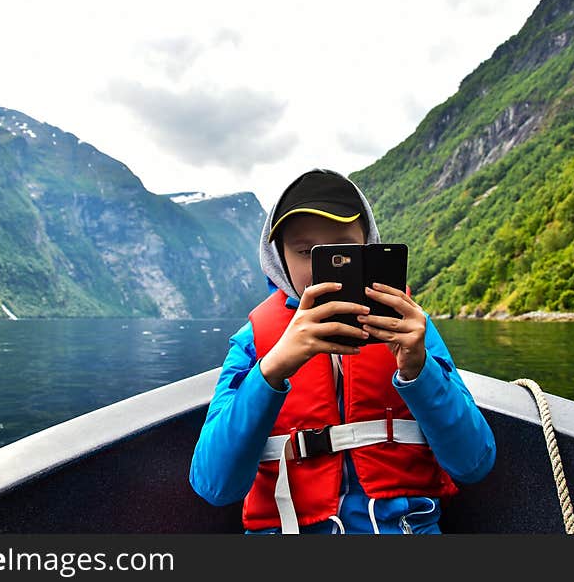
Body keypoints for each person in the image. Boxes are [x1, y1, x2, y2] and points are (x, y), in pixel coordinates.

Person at [189, 168, 496, 534]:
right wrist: (270, 372)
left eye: (345, 248)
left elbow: (474, 463)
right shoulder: (253, 342)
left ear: (368, 247)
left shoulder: (413, 329)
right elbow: (214, 485)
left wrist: (419, 370)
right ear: (279, 258)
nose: (324, 269)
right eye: (306, 252)